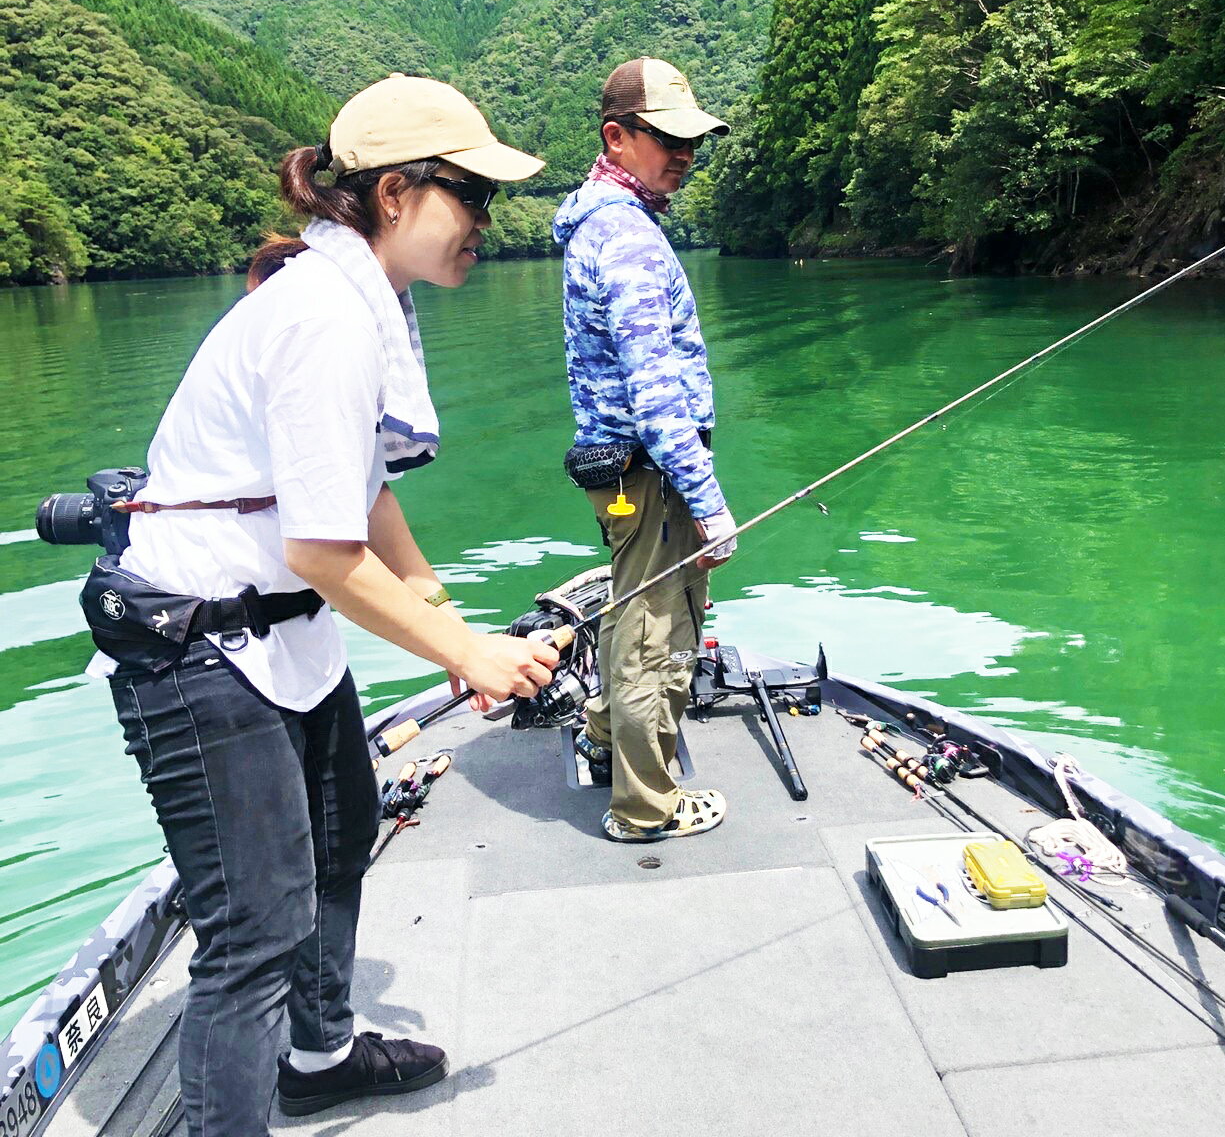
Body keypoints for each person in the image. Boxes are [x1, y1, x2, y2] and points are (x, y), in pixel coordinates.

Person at [84, 73, 559, 1135]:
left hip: (285, 635)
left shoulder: (360, 301)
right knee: (251, 932)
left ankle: (320, 1052)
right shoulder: (323, 320)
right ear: (395, 192)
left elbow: (362, 485)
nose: (487, 222)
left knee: (341, 840)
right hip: (200, 651)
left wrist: (431, 598)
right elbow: (322, 547)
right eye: (472, 196)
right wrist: (467, 650)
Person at [552, 56, 738, 843]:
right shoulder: (625, 237)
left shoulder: (610, 223)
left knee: (635, 616)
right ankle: (644, 808)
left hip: (633, 471)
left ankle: (602, 731)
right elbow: (656, 394)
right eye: (666, 137)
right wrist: (712, 503)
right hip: (652, 470)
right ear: (616, 138)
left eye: (692, 137)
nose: (684, 152)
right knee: (652, 635)